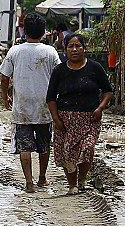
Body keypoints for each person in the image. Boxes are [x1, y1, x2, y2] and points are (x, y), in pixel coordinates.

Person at [0, 13, 61, 193]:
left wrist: (5, 97)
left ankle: (29, 182)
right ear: (43, 32)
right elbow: (58, 77)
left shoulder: (15, 51)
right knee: (44, 145)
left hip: (22, 106)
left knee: (24, 146)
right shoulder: (50, 52)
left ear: (24, 31)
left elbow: (4, 77)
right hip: (45, 106)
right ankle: (42, 178)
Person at [46, 33, 114, 195]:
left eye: (78, 46)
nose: (75, 49)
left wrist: (100, 108)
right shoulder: (59, 71)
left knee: (87, 149)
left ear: (84, 48)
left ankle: (82, 178)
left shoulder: (95, 68)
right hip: (65, 120)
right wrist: (56, 119)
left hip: (90, 118)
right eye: (71, 46)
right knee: (68, 153)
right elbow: (50, 98)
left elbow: (107, 91)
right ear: (65, 49)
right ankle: (72, 185)